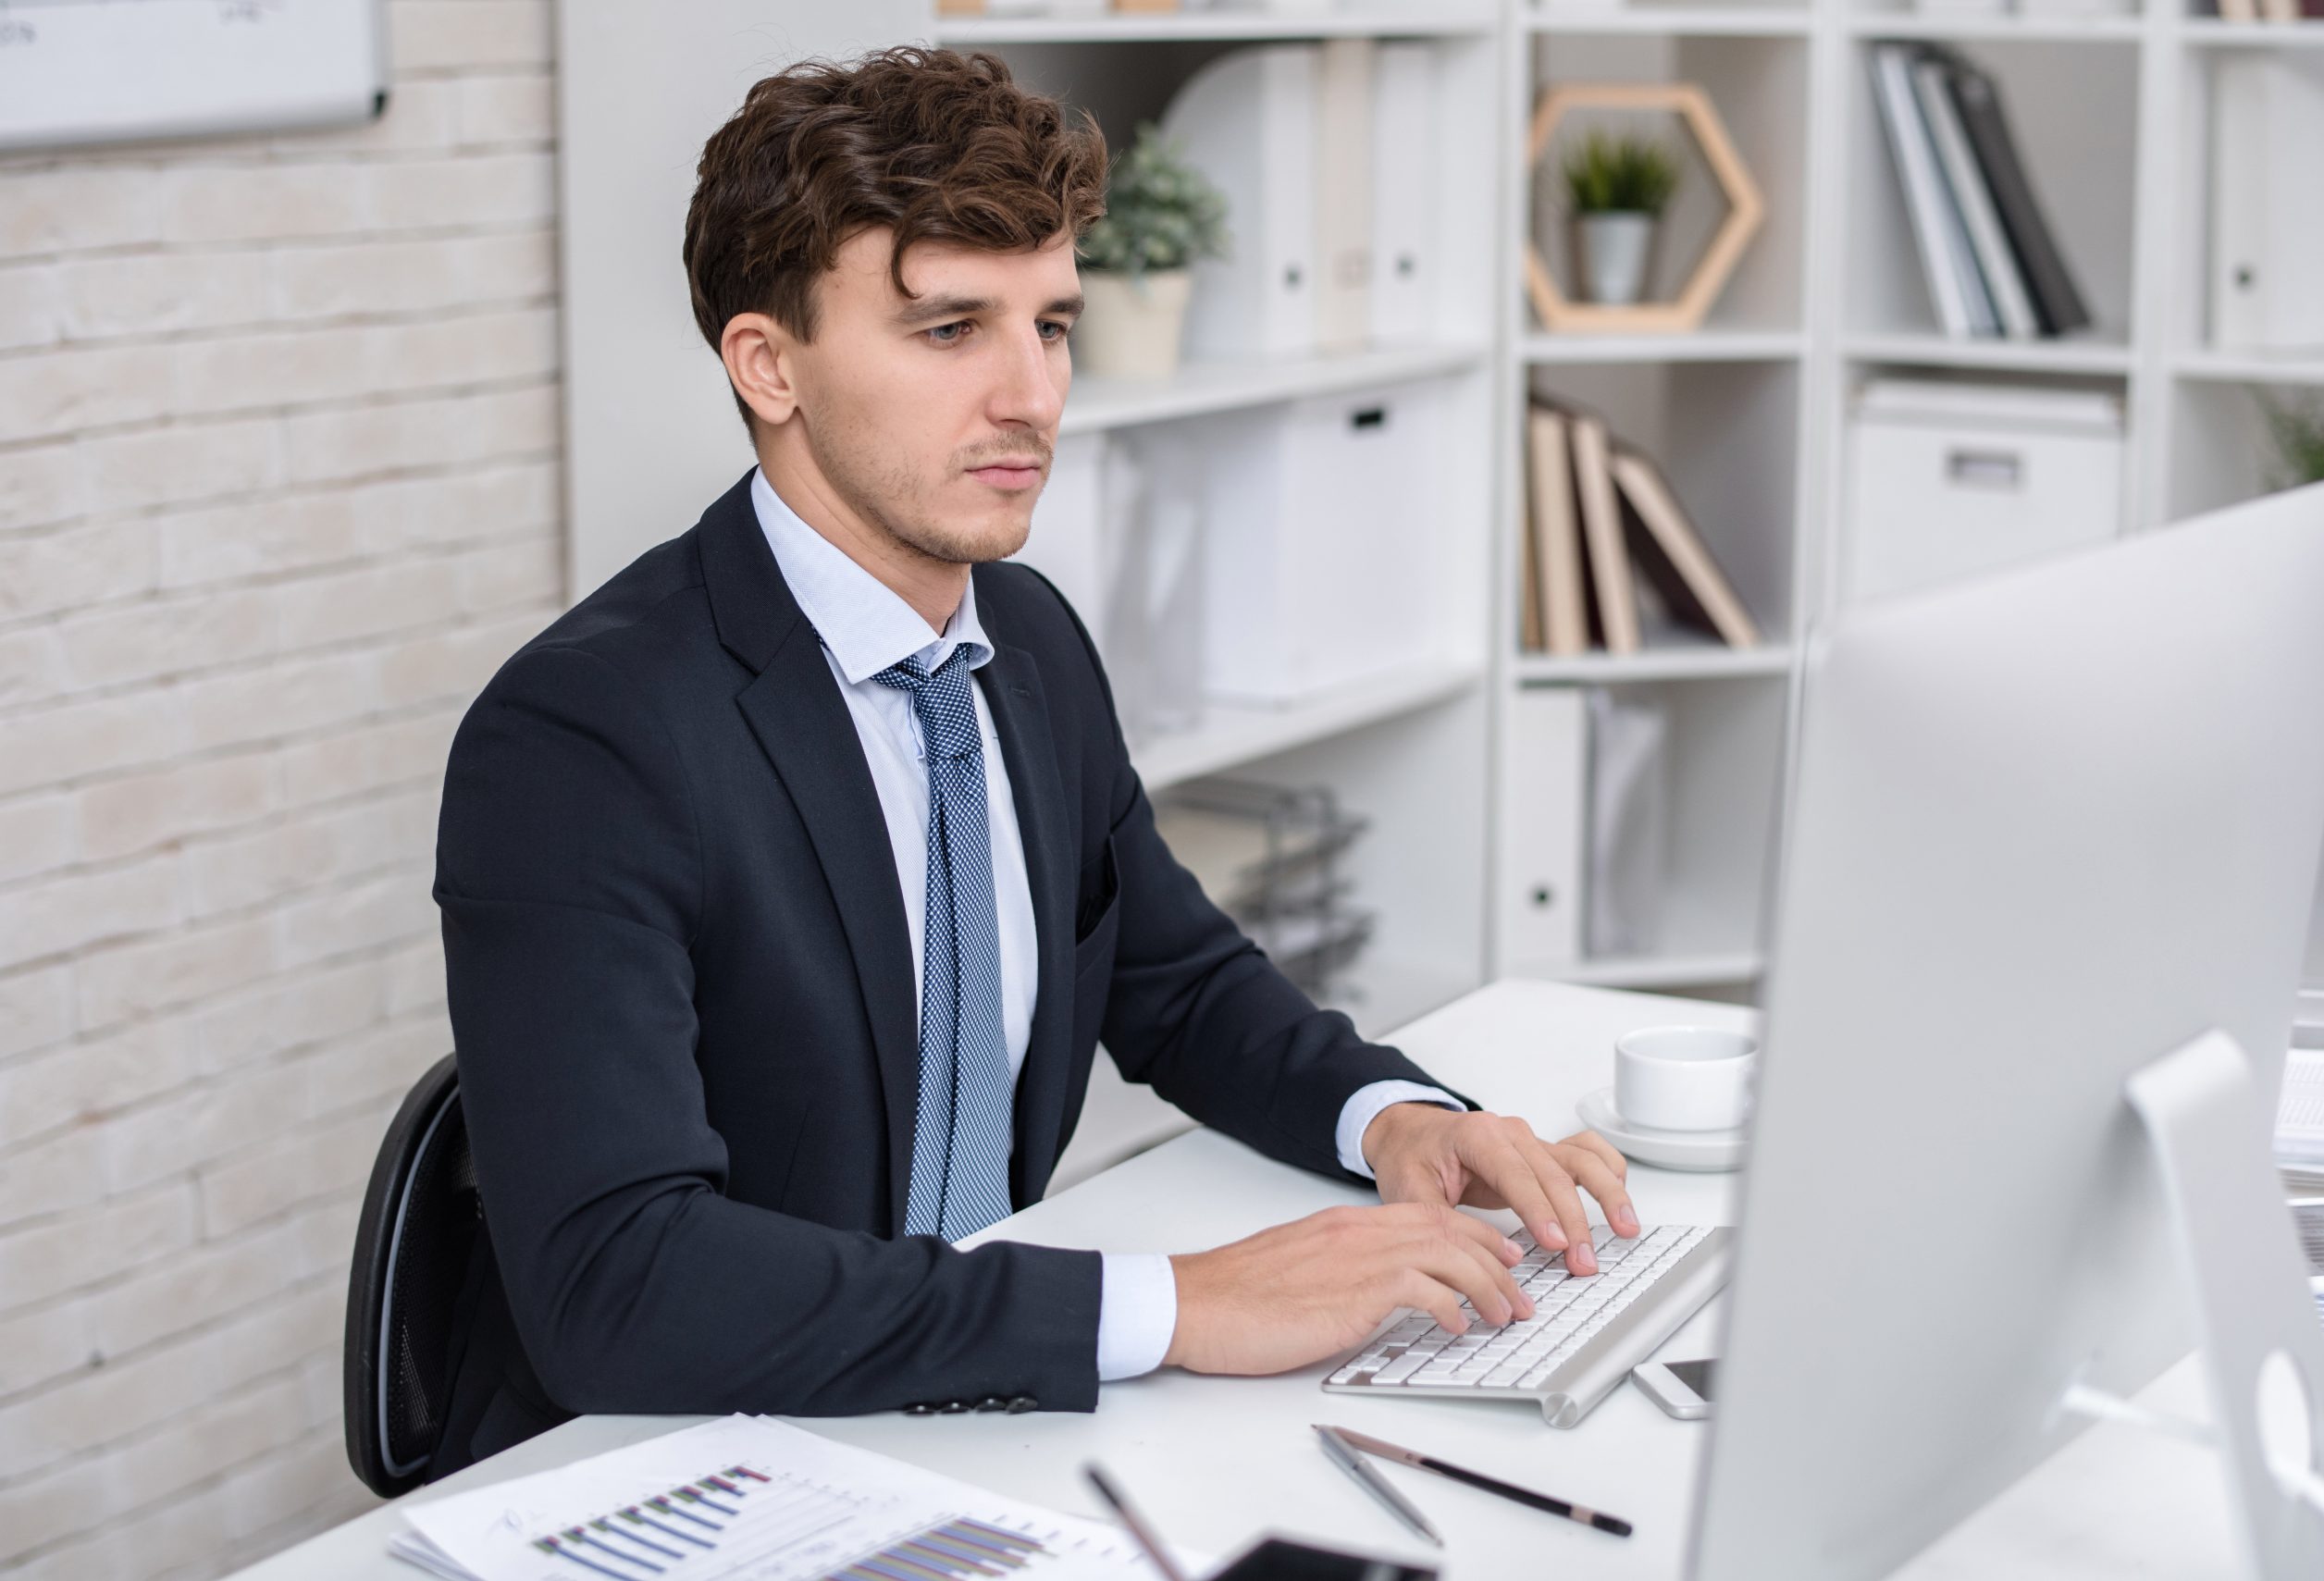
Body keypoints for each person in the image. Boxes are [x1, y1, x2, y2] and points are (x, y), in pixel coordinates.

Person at [427, 44, 1637, 1476]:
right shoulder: (585, 738)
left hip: (984, 1428)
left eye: (1051, 325)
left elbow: (1175, 981)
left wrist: (1396, 1118)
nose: (1033, 396)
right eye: (950, 331)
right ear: (769, 365)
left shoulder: (1025, 638)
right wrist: (1176, 1303)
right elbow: (621, 1283)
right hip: (697, 1458)